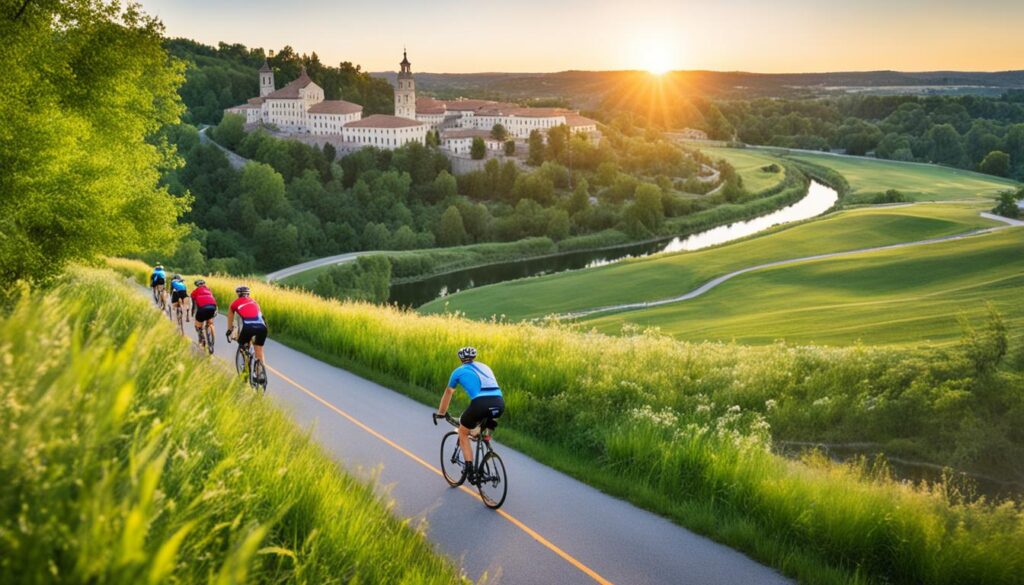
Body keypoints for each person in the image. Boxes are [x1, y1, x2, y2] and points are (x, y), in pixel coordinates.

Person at [436, 347, 504, 484]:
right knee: (479, 425)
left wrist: (441, 413)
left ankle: (470, 470)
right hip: (499, 403)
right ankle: (482, 434)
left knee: (462, 432)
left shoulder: (458, 372)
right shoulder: (485, 367)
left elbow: (449, 392)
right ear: (474, 357)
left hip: (480, 404)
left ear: (461, 359)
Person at [227, 285, 268, 369]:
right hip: (262, 327)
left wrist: (229, 330)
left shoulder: (234, 303)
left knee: (242, 345)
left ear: (238, 294)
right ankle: (260, 373)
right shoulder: (254, 302)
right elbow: (261, 317)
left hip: (248, 327)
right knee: (259, 349)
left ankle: (245, 368)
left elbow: (230, 317)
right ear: (248, 294)